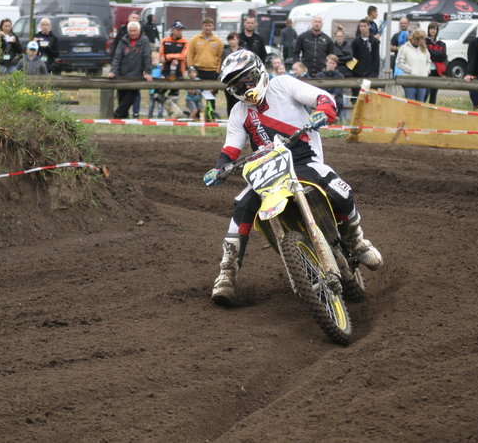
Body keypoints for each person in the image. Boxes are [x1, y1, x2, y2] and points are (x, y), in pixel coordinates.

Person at [202, 50, 382, 305]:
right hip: (268, 171)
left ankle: (357, 242)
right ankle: (227, 274)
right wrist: (219, 168)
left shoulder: (283, 85)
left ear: (258, 73)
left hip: (303, 159)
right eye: (237, 86)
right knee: (242, 205)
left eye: (247, 81)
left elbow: (322, 97)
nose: (245, 89)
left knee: (339, 190)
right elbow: (231, 148)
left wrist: (323, 111)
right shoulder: (239, 112)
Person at [108, 21, 153, 118]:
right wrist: (113, 71)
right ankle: (123, 118)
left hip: (136, 75)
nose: (132, 33)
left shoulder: (144, 41)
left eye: (134, 31)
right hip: (122, 74)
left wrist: (148, 72)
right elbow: (117, 57)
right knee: (121, 97)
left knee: (129, 98)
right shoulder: (123, 40)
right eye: (130, 31)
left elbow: (147, 57)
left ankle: (117, 115)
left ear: (139, 31)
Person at [159, 21, 189, 117]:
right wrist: (172, 57)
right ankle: (177, 112)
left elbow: (183, 56)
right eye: (178, 29)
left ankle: (172, 117)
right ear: (172, 30)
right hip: (165, 72)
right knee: (157, 94)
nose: (180, 31)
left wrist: (168, 57)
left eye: (181, 30)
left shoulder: (185, 42)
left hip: (178, 72)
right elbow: (161, 57)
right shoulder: (164, 41)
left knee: (174, 96)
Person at [396, 28, 431, 102]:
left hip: (422, 79)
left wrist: (426, 71)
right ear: (416, 38)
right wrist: (411, 70)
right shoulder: (404, 48)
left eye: (424, 39)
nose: (423, 41)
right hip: (409, 80)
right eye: (422, 38)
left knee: (420, 102)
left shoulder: (424, 49)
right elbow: (399, 63)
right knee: (410, 102)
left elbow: (428, 62)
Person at [425, 22, 447, 104]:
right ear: (428, 30)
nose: (433, 31)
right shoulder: (425, 42)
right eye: (431, 29)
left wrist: (432, 53)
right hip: (427, 70)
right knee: (425, 93)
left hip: (437, 71)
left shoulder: (441, 43)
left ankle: (431, 110)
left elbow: (443, 56)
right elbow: (426, 54)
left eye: (435, 29)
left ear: (437, 30)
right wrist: (437, 54)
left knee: (433, 94)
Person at [223, 32, 242, 115]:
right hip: (229, 81)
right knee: (230, 102)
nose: (232, 41)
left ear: (238, 40)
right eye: (230, 39)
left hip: (240, 81)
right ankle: (230, 118)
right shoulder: (225, 52)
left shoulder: (243, 51)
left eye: (234, 39)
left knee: (239, 102)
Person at [147, 51, 165, 118]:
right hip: (151, 90)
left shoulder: (161, 67)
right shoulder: (150, 68)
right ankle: (150, 116)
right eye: (152, 61)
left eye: (154, 60)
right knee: (151, 104)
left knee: (160, 104)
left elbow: (163, 75)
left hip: (159, 90)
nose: (153, 62)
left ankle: (160, 116)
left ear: (158, 60)